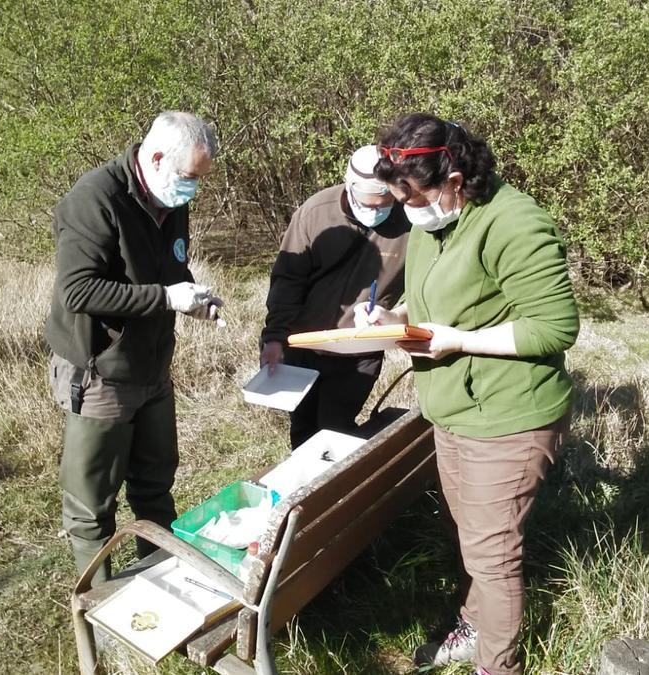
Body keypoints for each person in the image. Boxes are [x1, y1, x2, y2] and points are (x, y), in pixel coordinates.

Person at [355, 113, 578, 675]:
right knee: (471, 536)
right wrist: (392, 315)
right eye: (399, 196)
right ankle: (475, 628)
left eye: (414, 194)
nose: (407, 208)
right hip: (453, 410)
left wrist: (460, 342)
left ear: (454, 181)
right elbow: (428, 298)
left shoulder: (514, 223)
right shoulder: (433, 224)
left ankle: (496, 666)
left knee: (493, 553)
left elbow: (554, 327)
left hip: (507, 416)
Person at [45, 111, 224, 581]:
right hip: (101, 369)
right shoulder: (94, 199)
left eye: (199, 181)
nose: (193, 191)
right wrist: (166, 298)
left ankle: (164, 583)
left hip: (153, 365)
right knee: (91, 505)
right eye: (190, 178)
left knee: (154, 484)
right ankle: (100, 611)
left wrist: (192, 296)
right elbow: (78, 292)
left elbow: (171, 268)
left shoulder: (170, 195)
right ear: (158, 158)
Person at [260, 145, 410, 448]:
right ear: (350, 189)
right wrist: (274, 337)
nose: (376, 211)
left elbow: (425, 286)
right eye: (369, 204)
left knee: (335, 428)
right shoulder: (315, 212)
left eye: (385, 204)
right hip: (304, 344)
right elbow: (288, 280)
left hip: (360, 349)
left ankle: (341, 489)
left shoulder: (410, 220)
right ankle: (306, 491)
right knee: (302, 427)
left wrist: (396, 315)